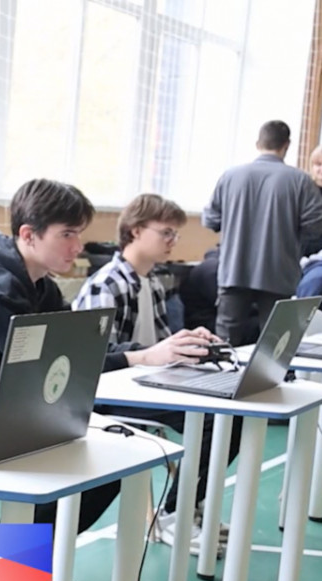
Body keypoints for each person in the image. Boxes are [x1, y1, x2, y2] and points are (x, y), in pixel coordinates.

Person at [0, 178, 212, 581]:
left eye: (79, 234)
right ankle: (8, 567)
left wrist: (143, 356)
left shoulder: (42, 285)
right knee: (99, 460)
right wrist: (140, 357)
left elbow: (74, 356)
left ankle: (19, 561)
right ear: (28, 235)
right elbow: (49, 368)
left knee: (119, 460)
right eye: (67, 234)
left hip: (18, 406)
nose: (78, 247)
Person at [73, 194, 238, 553]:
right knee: (213, 421)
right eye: (166, 233)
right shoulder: (107, 284)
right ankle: (174, 515)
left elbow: (160, 347)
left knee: (231, 414)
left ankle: (187, 506)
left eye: (175, 234)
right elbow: (96, 358)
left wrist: (189, 344)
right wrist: (153, 354)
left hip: (145, 387)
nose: (172, 241)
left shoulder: (153, 281)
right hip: (109, 396)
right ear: (135, 231)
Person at [203, 120, 322, 345]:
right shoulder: (300, 180)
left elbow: (210, 220)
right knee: (275, 347)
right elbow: (317, 226)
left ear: (258, 143)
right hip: (279, 274)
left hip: (234, 271)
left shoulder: (230, 176)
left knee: (224, 344)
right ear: (286, 145)